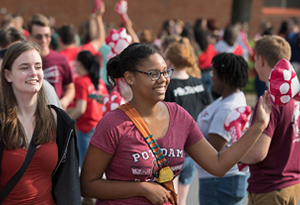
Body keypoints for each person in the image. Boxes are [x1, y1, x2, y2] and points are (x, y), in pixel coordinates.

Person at [80, 43, 271, 205]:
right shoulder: (113, 124)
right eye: (153, 74)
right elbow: (87, 185)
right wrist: (142, 188)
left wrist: (258, 127)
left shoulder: (179, 116)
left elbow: (217, 165)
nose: (163, 79)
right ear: (130, 78)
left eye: (165, 72)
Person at [0, 41, 80, 204]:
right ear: (8, 75)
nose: (33, 73)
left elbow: (69, 182)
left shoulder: (60, 121)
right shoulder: (2, 122)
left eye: (38, 66)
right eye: (24, 67)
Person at [240, 35, 300, 205]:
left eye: (254, 59)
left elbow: (258, 153)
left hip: (269, 188)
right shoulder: (295, 95)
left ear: (261, 60)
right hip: (293, 183)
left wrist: (235, 152)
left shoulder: (269, 100)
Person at [196, 53, 249, 205]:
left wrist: (187, 138)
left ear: (225, 77)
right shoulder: (231, 98)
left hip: (219, 182)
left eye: (214, 73)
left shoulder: (227, 108)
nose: (212, 78)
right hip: (221, 179)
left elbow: (213, 150)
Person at [164, 41, 213, 205]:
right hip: (194, 148)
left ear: (169, 61)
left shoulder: (167, 87)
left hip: (173, 149)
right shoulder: (199, 83)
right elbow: (208, 112)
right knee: (182, 199)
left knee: (173, 198)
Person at [69, 50, 108, 168]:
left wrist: (64, 120)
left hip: (86, 130)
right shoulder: (100, 82)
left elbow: (81, 109)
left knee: (86, 169)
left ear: (79, 63)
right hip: (101, 128)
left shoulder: (81, 82)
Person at [28, 13, 75, 110]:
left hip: (54, 115)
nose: (44, 40)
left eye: (47, 35)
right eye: (38, 36)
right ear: (29, 37)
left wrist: (65, 101)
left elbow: (70, 87)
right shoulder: (23, 61)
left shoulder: (61, 59)